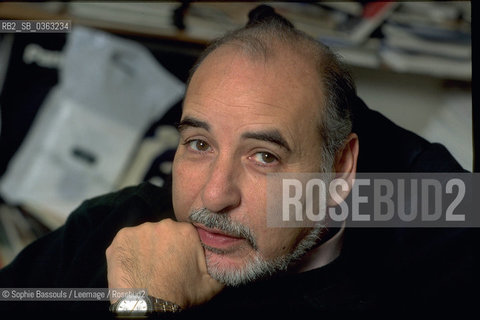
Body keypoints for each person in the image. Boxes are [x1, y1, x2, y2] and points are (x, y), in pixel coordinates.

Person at [0, 5, 474, 318]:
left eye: (264, 156)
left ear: (341, 170)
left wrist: (143, 307)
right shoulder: (108, 223)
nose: (214, 195)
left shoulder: (416, 270)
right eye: (200, 144)